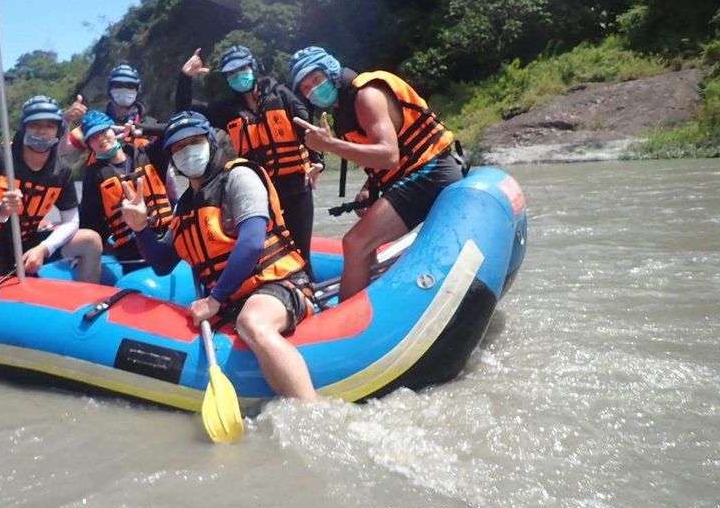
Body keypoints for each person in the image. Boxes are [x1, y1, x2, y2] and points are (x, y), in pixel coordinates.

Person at [120, 111, 317, 402]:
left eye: (194, 142)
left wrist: (214, 300)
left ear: (211, 142)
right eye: (177, 148)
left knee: (253, 322)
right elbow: (162, 264)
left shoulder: (239, 177)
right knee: (243, 318)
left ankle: (310, 412)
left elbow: (251, 243)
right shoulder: (185, 207)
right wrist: (141, 229)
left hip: (278, 285)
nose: (187, 151)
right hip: (231, 301)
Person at [289, 46, 464, 301]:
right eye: (305, 88)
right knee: (364, 236)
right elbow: (382, 158)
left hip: (432, 172)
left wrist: (329, 145)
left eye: (316, 80)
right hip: (417, 174)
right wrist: (370, 185)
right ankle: (371, 300)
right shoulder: (345, 108)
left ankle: (349, 322)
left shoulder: (367, 96)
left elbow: (389, 154)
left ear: (331, 72)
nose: (313, 90)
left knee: (354, 243)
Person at [177, 45, 323, 272]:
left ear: (253, 67)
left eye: (241, 69)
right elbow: (184, 110)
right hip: (259, 193)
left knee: (301, 253)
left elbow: (308, 129)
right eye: (231, 73)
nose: (237, 76)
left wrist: (318, 161)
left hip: (296, 187)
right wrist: (185, 77)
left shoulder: (281, 94)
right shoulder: (227, 110)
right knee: (269, 253)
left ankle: (309, 295)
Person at [0, 95, 102, 283]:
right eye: (35, 125)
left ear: (58, 131)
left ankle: (85, 305)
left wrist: (44, 248)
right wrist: (1, 210)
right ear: (24, 128)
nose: (42, 132)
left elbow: (71, 221)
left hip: (25, 243)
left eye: (49, 126)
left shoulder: (61, 172)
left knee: (90, 240)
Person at [77, 110, 177, 265]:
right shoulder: (94, 175)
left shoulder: (149, 154)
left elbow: (175, 129)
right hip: (131, 251)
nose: (101, 139)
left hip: (169, 239)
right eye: (93, 137)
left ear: (114, 130)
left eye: (104, 131)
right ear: (89, 145)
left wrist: (141, 129)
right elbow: (90, 220)